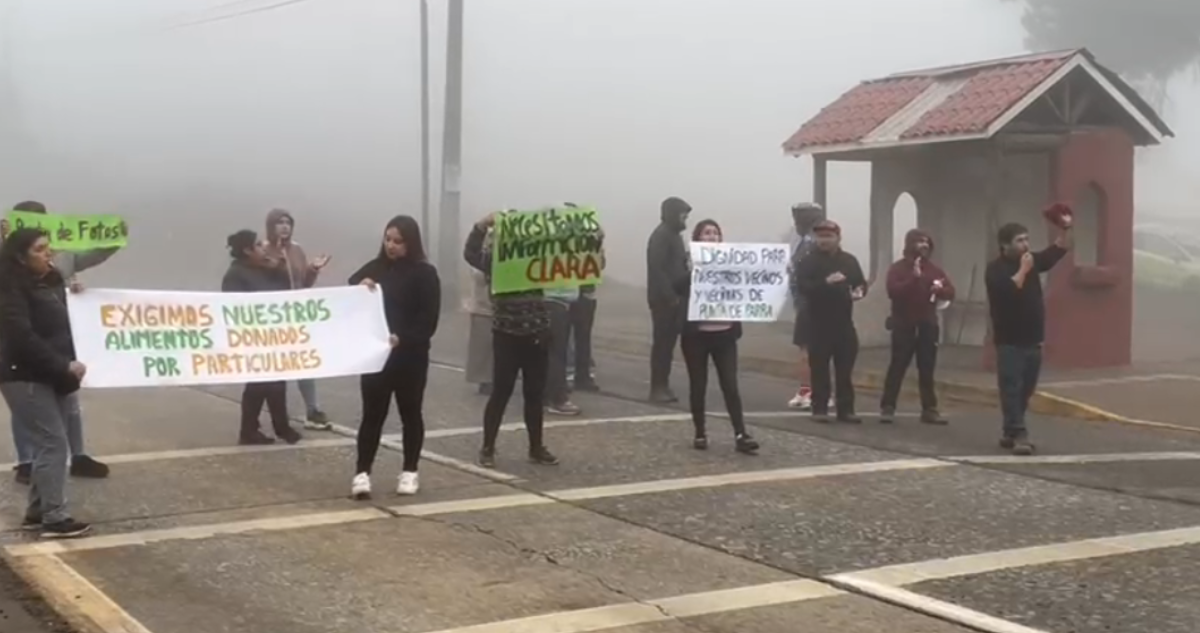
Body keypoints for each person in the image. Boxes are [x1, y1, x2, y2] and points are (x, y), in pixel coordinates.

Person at [4, 200, 118, 485]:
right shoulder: (9, 265)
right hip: (25, 346)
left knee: (69, 403)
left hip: (57, 344)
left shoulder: (61, 259)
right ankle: (27, 461)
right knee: (29, 410)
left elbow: (94, 255)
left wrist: (114, 236)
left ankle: (77, 455)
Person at [0, 227, 92, 538]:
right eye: (39, 249)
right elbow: (22, 337)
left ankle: (38, 510)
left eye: (48, 247)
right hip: (24, 375)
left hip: (54, 375)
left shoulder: (48, 284)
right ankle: (55, 517)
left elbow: (61, 324)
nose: (48, 253)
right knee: (53, 442)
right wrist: (62, 365)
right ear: (20, 257)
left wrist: (77, 298)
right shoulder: (10, 289)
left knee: (49, 443)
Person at [348, 215, 440, 498]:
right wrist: (360, 286)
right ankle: (362, 473)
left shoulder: (425, 273)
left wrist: (403, 338)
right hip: (377, 357)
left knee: (410, 413)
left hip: (410, 357)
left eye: (398, 241)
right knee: (372, 416)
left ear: (410, 243)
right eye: (388, 239)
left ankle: (410, 471)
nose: (391, 246)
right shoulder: (376, 268)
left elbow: (429, 321)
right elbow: (349, 292)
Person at [463, 211, 559, 468]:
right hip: (507, 334)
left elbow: (577, 261)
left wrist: (595, 240)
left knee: (534, 394)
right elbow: (471, 253)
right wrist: (481, 225)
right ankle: (488, 447)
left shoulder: (538, 260)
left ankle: (536, 447)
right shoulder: (497, 260)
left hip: (537, 334)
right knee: (501, 392)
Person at [985, 213, 1072, 455]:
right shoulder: (995, 270)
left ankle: (1009, 431)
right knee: (1011, 387)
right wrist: (1024, 269)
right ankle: (1020, 433)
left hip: (1033, 339)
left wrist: (1065, 227)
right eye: (1019, 240)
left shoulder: (1032, 260)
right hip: (1009, 341)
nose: (1025, 245)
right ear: (1005, 245)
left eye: (1026, 239)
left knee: (1026, 389)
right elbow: (1009, 291)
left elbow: (1058, 250)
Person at [678, 220, 759, 454]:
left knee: (730, 385)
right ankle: (700, 432)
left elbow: (752, 283)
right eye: (706, 233)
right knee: (698, 384)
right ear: (698, 238)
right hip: (696, 335)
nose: (711, 236)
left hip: (724, 334)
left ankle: (741, 433)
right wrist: (694, 272)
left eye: (715, 233)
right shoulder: (688, 261)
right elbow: (675, 285)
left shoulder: (732, 263)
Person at [221, 230, 303, 445]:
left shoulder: (265, 270)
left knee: (277, 382)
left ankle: (280, 426)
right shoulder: (235, 275)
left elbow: (283, 294)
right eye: (258, 245)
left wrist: (279, 268)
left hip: (272, 336)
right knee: (259, 385)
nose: (263, 248)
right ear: (247, 250)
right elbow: (233, 308)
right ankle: (249, 430)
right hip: (253, 338)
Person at [263, 209, 332, 430]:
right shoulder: (263, 250)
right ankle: (265, 416)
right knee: (272, 369)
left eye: (288, 223)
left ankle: (312, 410)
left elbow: (304, 283)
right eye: (279, 223)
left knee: (304, 362)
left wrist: (313, 270)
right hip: (273, 319)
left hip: (296, 317)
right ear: (271, 226)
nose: (284, 227)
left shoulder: (297, 250)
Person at [793, 219, 867, 424]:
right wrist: (826, 283)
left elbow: (860, 282)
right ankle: (820, 408)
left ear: (838, 238)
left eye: (828, 236)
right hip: (817, 322)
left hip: (843, 321)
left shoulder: (849, 261)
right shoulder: (808, 261)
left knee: (845, 368)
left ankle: (846, 409)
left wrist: (859, 291)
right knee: (819, 369)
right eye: (820, 237)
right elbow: (803, 287)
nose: (824, 241)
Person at [880, 229, 955, 425]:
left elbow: (950, 291)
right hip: (903, 323)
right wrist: (913, 279)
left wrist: (941, 290)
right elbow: (893, 291)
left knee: (927, 367)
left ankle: (929, 409)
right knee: (898, 365)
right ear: (909, 244)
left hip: (928, 324)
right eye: (919, 241)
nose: (924, 245)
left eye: (926, 242)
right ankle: (888, 406)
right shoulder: (898, 269)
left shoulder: (935, 270)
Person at [645, 196, 692, 403]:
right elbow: (657, 268)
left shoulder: (673, 236)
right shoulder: (661, 235)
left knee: (667, 345)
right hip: (664, 301)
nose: (685, 220)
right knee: (662, 346)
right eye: (683, 215)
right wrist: (670, 296)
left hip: (674, 299)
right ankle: (657, 387)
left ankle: (663, 385)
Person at [787, 202, 824, 410]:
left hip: (813, 304)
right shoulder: (802, 241)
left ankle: (815, 389)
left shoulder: (813, 242)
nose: (795, 223)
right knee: (804, 347)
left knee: (812, 349)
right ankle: (805, 388)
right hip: (802, 302)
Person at [543, 286, 583, 416]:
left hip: (550, 300)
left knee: (548, 351)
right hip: (555, 300)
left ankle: (545, 396)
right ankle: (557, 399)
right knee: (557, 352)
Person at [464, 267, 494, 396]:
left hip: (502, 307)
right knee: (483, 347)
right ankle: (485, 381)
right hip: (483, 308)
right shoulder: (480, 259)